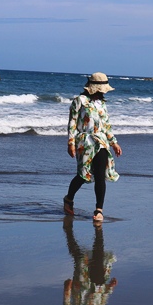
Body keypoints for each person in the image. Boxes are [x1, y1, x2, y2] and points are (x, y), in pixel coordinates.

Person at [63, 72, 123, 222]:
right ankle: (69, 199)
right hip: (85, 141)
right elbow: (72, 124)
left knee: (100, 175)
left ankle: (99, 210)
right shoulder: (79, 101)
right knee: (83, 175)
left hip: (101, 141)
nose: (103, 92)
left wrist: (114, 142)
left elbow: (107, 125)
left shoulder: (102, 104)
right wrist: (71, 143)